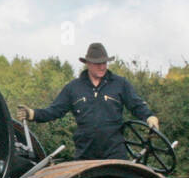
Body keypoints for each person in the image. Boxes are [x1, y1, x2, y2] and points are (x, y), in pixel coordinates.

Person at [16, 43, 159, 160]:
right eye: (97, 64)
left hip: (114, 152)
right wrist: (33, 114)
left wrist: (149, 117)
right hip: (85, 153)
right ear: (88, 64)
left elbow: (136, 105)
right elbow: (55, 110)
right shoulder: (73, 88)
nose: (102, 67)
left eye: (104, 63)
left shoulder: (120, 84)